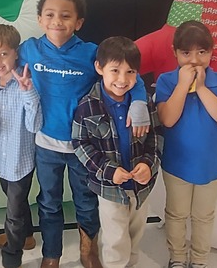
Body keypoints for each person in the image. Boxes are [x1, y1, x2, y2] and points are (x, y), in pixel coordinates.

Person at [18, 0, 151, 268]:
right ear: (40, 18)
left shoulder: (91, 53)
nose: (57, 21)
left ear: (78, 22)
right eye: (50, 15)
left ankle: (88, 250)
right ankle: (51, 254)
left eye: (65, 16)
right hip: (46, 144)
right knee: (49, 201)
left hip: (85, 146)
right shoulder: (29, 49)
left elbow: (129, 75)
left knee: (86, 201)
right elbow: (4, 63)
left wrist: (139, 103)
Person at [155, 21, 217, 268]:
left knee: (203, 216)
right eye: (186, 53)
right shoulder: (166, 81)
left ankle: (200, 259)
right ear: (175, 52)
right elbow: (167, 119)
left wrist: (201, 88)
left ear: (212, 51)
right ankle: (178, 257)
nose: (194, 59)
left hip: (211, 165)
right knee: (176, 214)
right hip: (176, 164)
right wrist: (183, 85)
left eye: (202, 52)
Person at [72, 37, 161, 268]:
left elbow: (156, 137)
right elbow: (80, 144)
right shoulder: (88, 105)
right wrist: (108, 171)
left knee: (135, 235)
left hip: (141, 187)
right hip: (109, 189)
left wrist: (149, 165)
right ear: (99, 68)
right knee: (115, 240)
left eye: (130, 72)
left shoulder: (144, 104)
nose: (122, 79)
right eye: (115, 70)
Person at [0, 24, 43, 268]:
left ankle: (12, 257)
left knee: (13, 213)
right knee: (15, 202)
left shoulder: (24, 83)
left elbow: (35, 124)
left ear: (16, 53)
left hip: (21, 161)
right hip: (3, 159)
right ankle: (27, 235)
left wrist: (28, 92)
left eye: (3, 54)